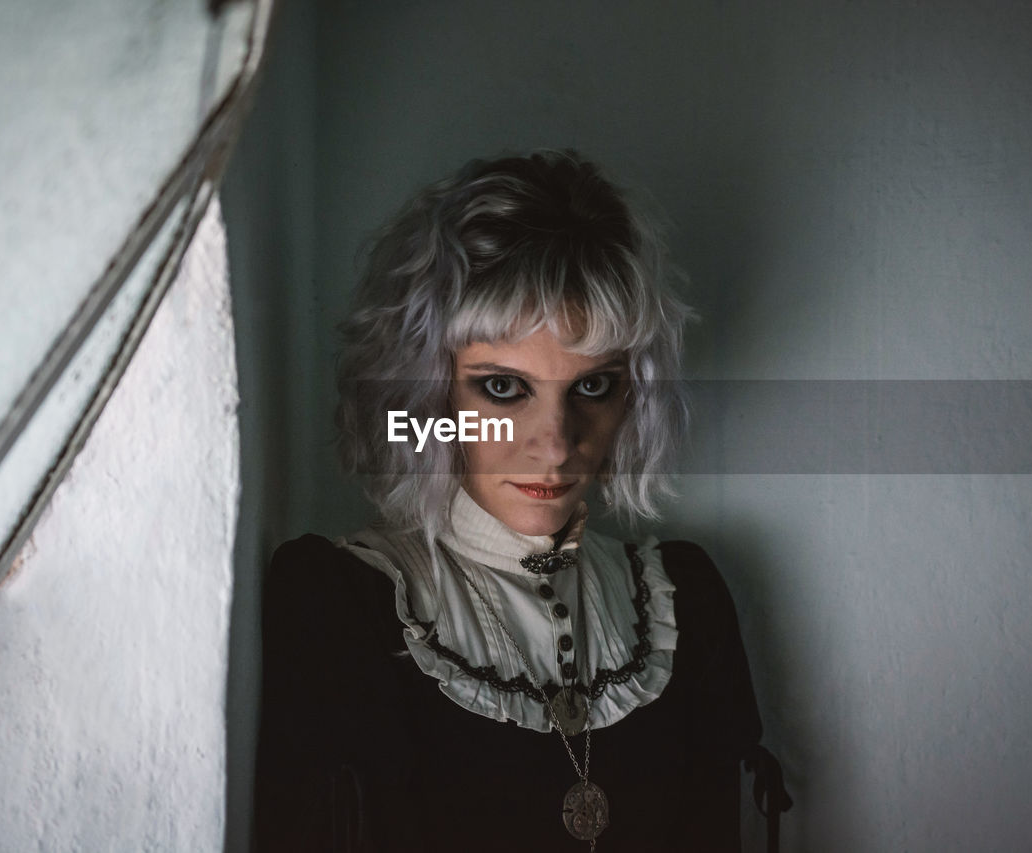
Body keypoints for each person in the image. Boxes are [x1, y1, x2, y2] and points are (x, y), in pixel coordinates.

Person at [253, 150, 784, 852]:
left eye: (592, 386)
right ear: (427, 392)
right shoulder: (341, 605)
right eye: (503, 388)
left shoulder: (687, 602)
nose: (557, 445)